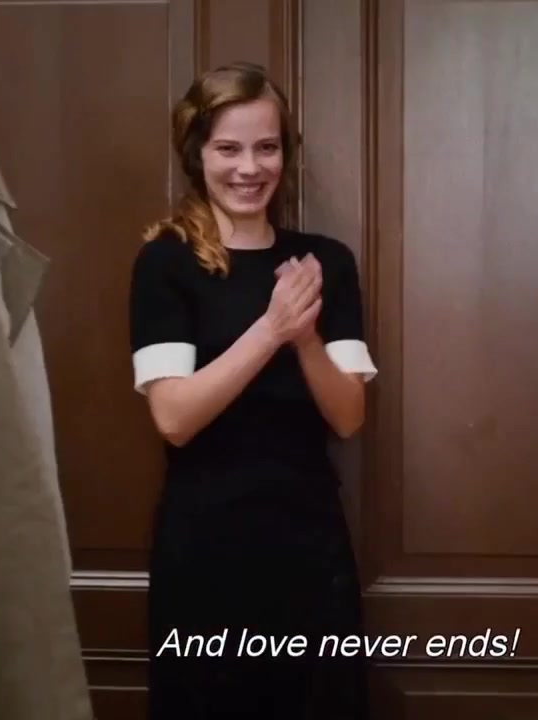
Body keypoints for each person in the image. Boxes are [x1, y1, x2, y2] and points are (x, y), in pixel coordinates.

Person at [128, 61, 377, 719]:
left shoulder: (325, 264)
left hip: (308, 543)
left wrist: (304, 337)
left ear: (286, 154)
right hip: (204, 547)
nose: (249, 167)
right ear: (198, 154)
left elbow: (349, 416)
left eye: (266, 147)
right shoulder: (166, 262)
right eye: (228, 149)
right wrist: (271, 329)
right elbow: (174, 417)